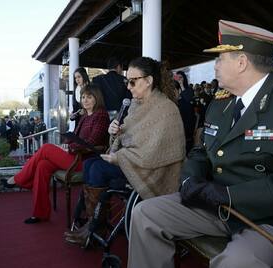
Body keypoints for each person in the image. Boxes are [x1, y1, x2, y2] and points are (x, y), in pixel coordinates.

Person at [127, 20, 273, 268]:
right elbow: (200, 152)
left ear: (241, 63)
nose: (215, 66)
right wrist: (190, 178)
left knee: (236, 265)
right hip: (217, 207)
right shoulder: (221, 103)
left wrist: (232, 195)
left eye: (220, 59)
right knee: (145, 214)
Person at [65, 57, 186, 245]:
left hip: (152, 171)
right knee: (89, 164)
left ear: (148, 81)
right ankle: (94, 223)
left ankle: (95, 227)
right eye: (126, 81)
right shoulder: (136, 105)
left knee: (97, 168)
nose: (128, 86)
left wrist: (118, 156)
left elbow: (153, 153)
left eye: (132, 81)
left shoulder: (166, 109)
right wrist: (116, 132)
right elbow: (131, 138)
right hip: (132, 161)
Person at [2, 84, 110, 224]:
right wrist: (66, 144)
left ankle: (18, 179)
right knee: (42, 165)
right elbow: (76, 137)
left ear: (97, 98)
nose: (85, 100)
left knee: (46, 148)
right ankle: (39, 213)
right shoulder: (84, 116)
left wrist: (69, 149)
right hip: (74, 155)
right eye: (83, 97)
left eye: (89, 97)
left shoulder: (100, 114)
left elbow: (91, 142)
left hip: (85, 161)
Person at [175, 71, 197, 154]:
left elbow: (188, 99)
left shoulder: (188, 89)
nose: (179, 79)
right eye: (177, 77)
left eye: (181, 77)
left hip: (187, 117)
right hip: (178, 116)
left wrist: (181, 85)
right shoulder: (174, 89)